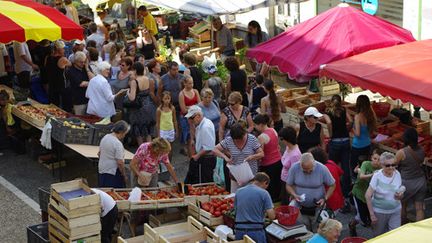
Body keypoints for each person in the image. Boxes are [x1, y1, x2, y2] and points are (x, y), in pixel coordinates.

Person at [285, 153, 336, 231]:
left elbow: (332, 185)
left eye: (310, 170)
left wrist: (325, 198)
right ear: (300, 165)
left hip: (317, 207)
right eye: (305, 171)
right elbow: (288, 185)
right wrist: (294, 194)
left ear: (314, 163)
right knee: (302, 231)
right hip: (299, 207)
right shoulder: (294, 168)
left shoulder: (322, 168)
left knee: (318, 231)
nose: (308, 172)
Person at [213, 123, 264, 192]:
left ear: (244, 134)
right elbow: (215, 149)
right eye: (235, 139)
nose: (238, 141)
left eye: (240, 139)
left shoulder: (252, 139)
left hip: (251, 176)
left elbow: (261, 154)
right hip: (235, 176)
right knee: (235, 197)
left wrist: (252, 157)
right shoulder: (229, 140)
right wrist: (225, 157)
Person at [323, 94, 352, 213]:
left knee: (332, 167)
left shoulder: (327, 112)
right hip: (345, 141)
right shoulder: (344, 110)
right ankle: (346, 193)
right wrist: (347, 129)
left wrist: (331, 134)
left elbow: (329, 123)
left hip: (334, 142)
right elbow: (350, 121)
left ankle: (333, 188)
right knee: (346, 167)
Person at [365, 152, 404, 237]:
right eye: (388, 165)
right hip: (380, 211)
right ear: (382, 165)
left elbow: (400, 191)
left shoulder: (397, 174)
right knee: (379, 236)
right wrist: (372, 214)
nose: (391, 167)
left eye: (393, 165)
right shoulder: (377, 176)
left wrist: (400, 195)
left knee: (395, 235)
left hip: (395, 210)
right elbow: (368, 195)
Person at [395, 128, 428, 224]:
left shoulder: (401, 152)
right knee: (419, 208)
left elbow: (393, 165)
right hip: (421, 182)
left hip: (406, 183)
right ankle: (419, 231)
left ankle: (404, 227)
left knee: (402, 205)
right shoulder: (421, 150)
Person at [234, 172, 275, 243]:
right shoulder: (264, 193)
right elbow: (272, 216)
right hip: (255, 231)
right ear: (265, 182)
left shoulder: (238, 191)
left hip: (239, 230)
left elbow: (236, 210)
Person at [349, 149, 382, 236]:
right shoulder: (366, 164)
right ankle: (352, 225)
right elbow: (362, 176)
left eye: (379, 160)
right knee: (361, 217)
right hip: (358, 193)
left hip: (370, 196)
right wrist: (373, 175)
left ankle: (375, 236)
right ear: (371, 158)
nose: (376, 161)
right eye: (375, 158)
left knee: (372, 218)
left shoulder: (381, 168)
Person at [254, 114, 282, 201]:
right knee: (277, 185)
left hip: (268, 165)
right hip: (278, 161)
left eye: (256, 125)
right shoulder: (273, 130)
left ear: (261, 125)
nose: (255, 127)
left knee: (269, 187)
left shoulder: (261, 137)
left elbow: (260, 153)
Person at [127, 62, 157, 144]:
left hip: (138, 109)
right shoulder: (147, 79)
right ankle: (150, 152)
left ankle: (142, 153)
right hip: (148, 106)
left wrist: (127, 93)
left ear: (135, 70)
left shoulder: (134, 82)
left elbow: (132, 98)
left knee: (139, 132)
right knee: (148, 132)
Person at [184, 105, 216, 183]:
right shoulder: (203, 123)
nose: (190, 121)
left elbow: (208, 147)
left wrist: (197, 156)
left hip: (206, 159)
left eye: (191, 118)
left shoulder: (205, 127)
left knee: (204, 183)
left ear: (198, 115)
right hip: (204, 157)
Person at [309, 147, 344, 212]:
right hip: (337, 197)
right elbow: (340, 172)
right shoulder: (331, 162)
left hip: (328, 201)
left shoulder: (320, 170)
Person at [351, 95, 376, 180]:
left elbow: (357, 134)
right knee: (365, 166)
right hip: (367, 144)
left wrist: (352, 128)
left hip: (358, 146)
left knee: (354, 168)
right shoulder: (369, 115)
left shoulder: (358, 116)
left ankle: (356, 182)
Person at [98, 121, 129, 188]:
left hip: (102, 169)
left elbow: (99, 153)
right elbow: (120, 162)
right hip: (112, 172)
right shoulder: (117, 144)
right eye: (125, 133)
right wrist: (124, 175)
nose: (124, 135)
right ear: (121, 132)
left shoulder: (105, 137)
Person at [45, 40, 72, 112]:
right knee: (63, 107)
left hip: (51, 83)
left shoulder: (48, 57)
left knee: (53, 105)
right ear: (59, 49)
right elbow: (70, 64)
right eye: (63, 48)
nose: (64, 50)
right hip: (61, 84)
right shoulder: (63, 59)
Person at [179, 75, 201, 156]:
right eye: (189, 83)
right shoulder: (181, 94)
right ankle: (190, 156)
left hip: (195, 117)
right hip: (185, 118)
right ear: (184, 84)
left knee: (196, 136)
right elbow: (183, 110)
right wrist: (194, 107)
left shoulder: (195, 91)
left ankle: (195, 153)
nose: (192, 85)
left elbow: (200, 105)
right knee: (189, 137)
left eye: (192, 83)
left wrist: (189, 107)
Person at [279, 126, 302, 204]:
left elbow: (296, 173)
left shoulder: (295, 155)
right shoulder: (288, 147)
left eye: (282, 139)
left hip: (289, 183)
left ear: (287, 139)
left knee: (286, 203)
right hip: (284, 179)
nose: (281, 141)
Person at [156, 91, 178, 159]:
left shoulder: (172, 108)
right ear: (162, 99)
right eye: (165, 98)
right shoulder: (159, 110)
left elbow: (175, 120)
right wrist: (158, 134)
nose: (167, 100)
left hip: (171, 130)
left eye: (168, 98)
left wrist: (176, 130)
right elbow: (158, 123)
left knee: (170, 149)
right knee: (163, 148)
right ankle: (162, 165)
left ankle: (169, 164)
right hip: (163, 131)